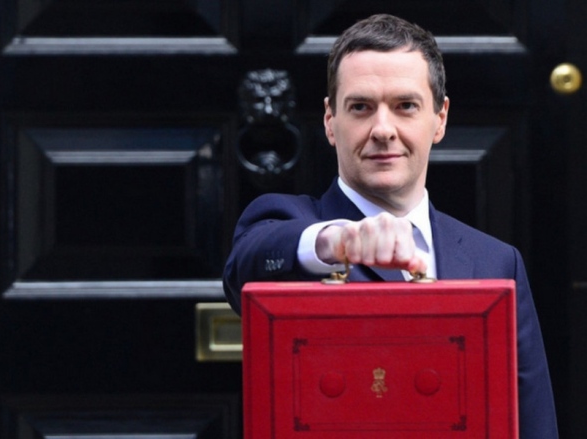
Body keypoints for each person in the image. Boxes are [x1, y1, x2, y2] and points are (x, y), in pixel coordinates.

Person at [223, 13, 558, 438]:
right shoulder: (288, 223)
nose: (383, 129)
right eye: (361, 107)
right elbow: (246, 266)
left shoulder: (496, 261)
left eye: (405, 106)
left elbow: (532, 420)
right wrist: (337, 242)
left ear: (440, 118)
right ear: (330, 120)